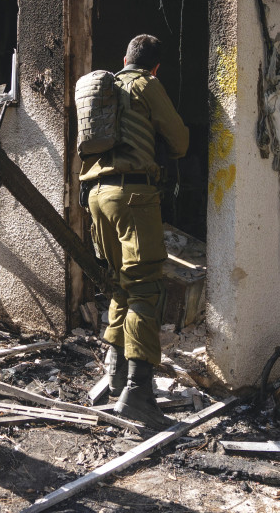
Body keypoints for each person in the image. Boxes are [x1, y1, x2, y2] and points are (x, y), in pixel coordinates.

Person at [80, 34, 189, 428]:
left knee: (120, 285)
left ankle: (115, 376)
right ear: (154, 66)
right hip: (132, 197)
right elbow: (179, 141)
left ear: (123, 58)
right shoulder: (147, 84)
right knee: (146, 288)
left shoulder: (105, 87)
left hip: (95, 196)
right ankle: (139, 393)